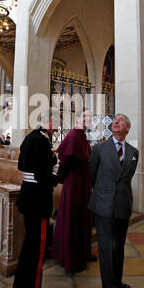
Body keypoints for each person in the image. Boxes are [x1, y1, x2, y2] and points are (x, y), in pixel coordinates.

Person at [10, 108, 60, 288]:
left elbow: (22, 165)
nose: (58, 125)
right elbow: (42, 175)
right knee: (37, 255)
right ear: (48, 122)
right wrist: (57, 176)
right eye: (57, 121)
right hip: (38, 201)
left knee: (28, 250)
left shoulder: (31, 137)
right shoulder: (42, 141)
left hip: (28, 197)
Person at [88, 114, 139, 288]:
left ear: (128, 128)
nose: (115, 121)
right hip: (103, 205)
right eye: (114, 120)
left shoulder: (134, 152)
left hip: (123, 206)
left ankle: (117, 282)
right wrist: (103, 194)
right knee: (106, 249)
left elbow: (127, 179)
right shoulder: (100, 149)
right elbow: (92, 175)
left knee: (119, 248)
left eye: (121, 120)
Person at [52, 109, 96, 273]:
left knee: (83, 220)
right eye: (84, 116)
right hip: (74, 187)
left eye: (90, 117)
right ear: (77, 118)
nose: (87, 120)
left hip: (83, 186)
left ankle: (83, 253)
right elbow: (65, 162)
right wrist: (60, 179)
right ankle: (72, 260)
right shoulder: (72, 136)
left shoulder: (82, 136)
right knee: (73, 220)